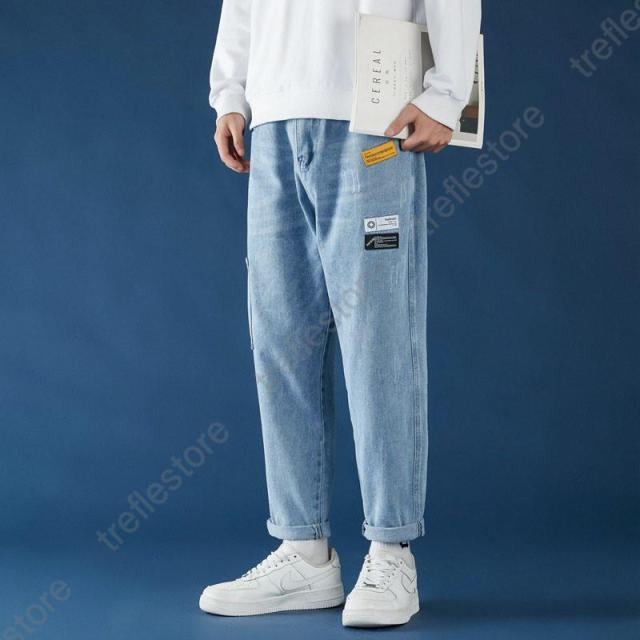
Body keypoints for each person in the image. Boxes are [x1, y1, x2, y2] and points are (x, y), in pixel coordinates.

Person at [199, 0, 481, 627]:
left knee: (379, 333)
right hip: (274, 120)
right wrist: (231, 94)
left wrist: (446, 93)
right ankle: (303, 551)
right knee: (281, 338)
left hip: (371, 117)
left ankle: (391, 550)